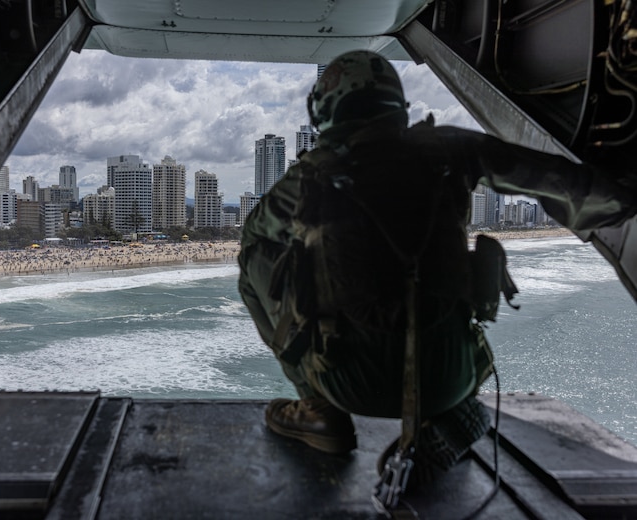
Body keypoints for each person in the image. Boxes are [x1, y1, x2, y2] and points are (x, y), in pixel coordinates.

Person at [238, 51, 636, 479]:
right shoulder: (451, 149)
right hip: (453, 376)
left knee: (256, 254)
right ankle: (455, 406)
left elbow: (257, 239)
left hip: (347, 383)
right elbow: (564, 182)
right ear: (396, 103)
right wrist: (621, 197)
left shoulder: (309, 177)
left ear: (325, 109)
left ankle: (317, 409)